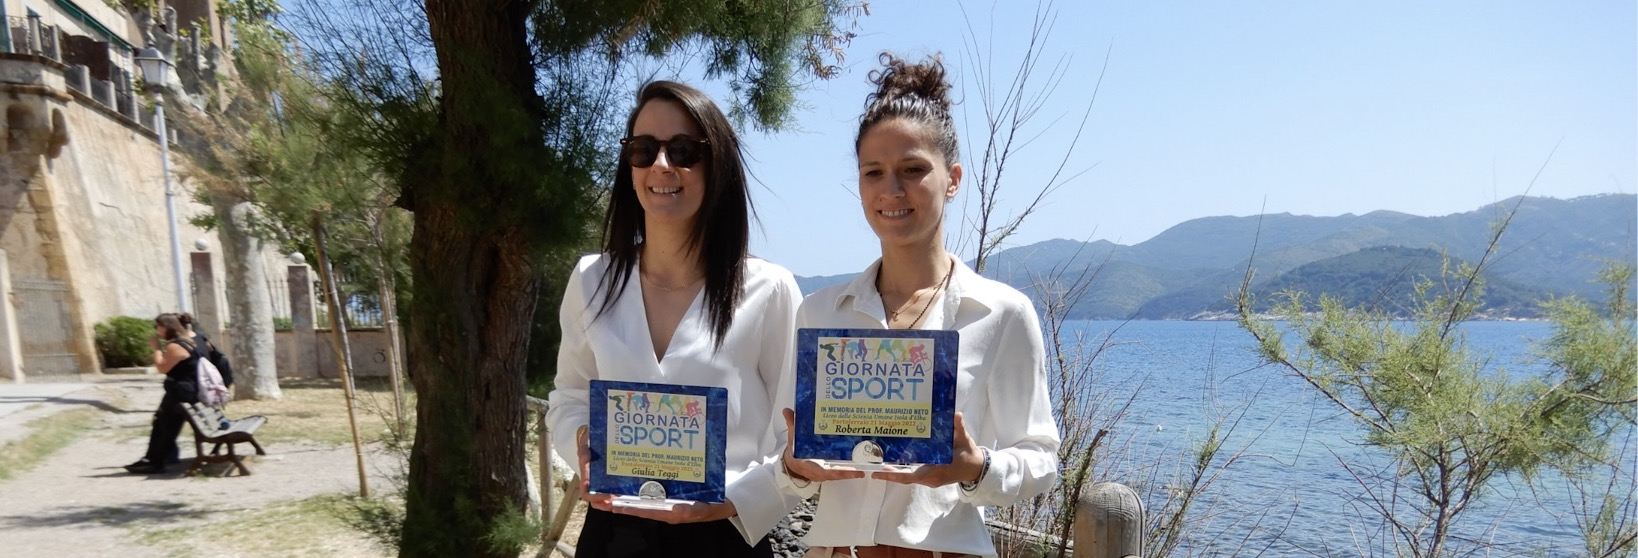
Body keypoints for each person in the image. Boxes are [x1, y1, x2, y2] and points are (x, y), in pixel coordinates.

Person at [775, 54, 1062, 558]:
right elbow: (783, 459)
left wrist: (976, 468)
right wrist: (794, 467)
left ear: (953, 179)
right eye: (874, 172)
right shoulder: (819, 314)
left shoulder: (1001, 313)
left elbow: (1041, 460)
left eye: (913, 170)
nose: (891, 190)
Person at [546, 80, 803, 557]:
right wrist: (581, 440)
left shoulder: (770, 290)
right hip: (612, 537)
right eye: (643, 150)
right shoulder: (591, 280)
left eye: (683, 150)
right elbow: (569, 398)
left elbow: (796, 435)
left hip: (724, 540)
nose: (661, 165)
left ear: (716, 164)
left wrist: (732, 503)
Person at [123, 313, 206, 474]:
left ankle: (155, 461)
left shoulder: (176, 345)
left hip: (181, 392)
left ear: (165, 327)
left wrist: (156, 349)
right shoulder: (187, 341)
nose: (156, 330)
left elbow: (162, 368)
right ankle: (154, 458)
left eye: (157, 327)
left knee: (164, 425)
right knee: (163, 424)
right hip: (186, 391)